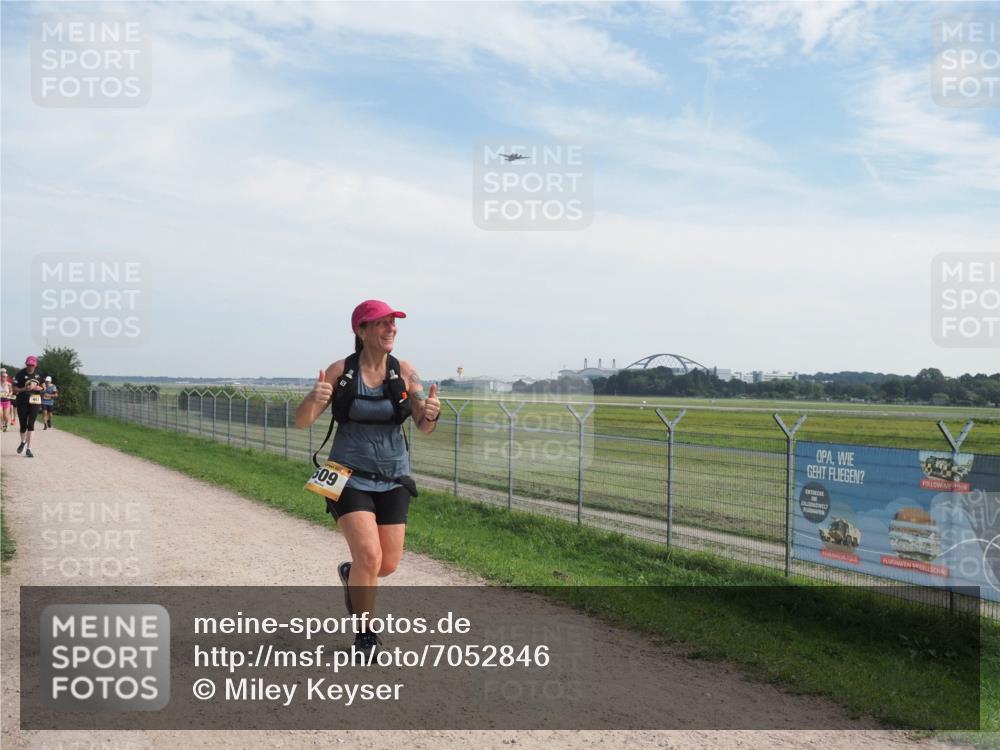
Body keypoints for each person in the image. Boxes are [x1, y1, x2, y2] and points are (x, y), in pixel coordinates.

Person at [294, 300, 441, 654]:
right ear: (361, 331)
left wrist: (431, 413)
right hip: (346, 475)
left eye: (393, 323)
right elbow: (301, 421)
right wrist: (314, 398)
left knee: (385, 565)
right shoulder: (340, 370)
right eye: (381, 323)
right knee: (370, 558)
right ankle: (365, 634)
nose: (391, 328)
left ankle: (352, 573)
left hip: (394, 476)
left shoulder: (405, 372)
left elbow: (423, 427)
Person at [13, 356, 44, 458]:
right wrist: (25, 388)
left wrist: (35, 387)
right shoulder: (20, 374)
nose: (30, 367)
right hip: (22, 401)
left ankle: (29, 449)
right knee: (23, 425)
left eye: (32, 365)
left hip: (35, 401)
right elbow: (14, 389)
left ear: (36, 365)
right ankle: (22, 442)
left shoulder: (39, 375)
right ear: (26, 364)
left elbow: (43, 387)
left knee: (31, 424)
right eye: (29, 365)